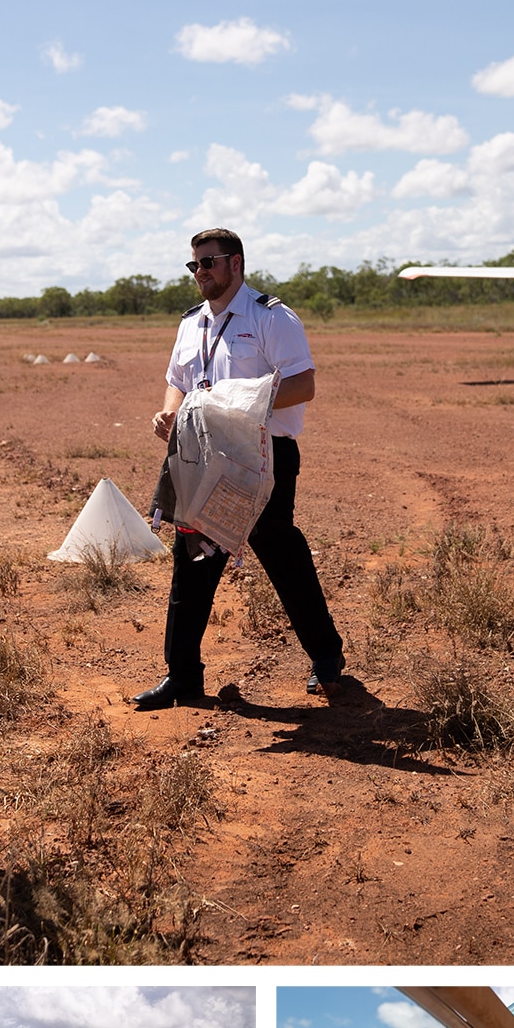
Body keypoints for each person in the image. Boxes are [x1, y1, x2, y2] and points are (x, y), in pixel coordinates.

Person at [132, 227, 346, 709]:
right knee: (193, 560)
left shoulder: (271, 317)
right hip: (204, 458)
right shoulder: (191, 324)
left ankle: (327, 658)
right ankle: (183, 677)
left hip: (263, 455)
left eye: (209, 262)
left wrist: (236, 406)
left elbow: (303, 384)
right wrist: (171, 411)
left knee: (281, 556)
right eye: (194, 265)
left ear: (236, 264)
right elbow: (177, 381)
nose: (200, 273)